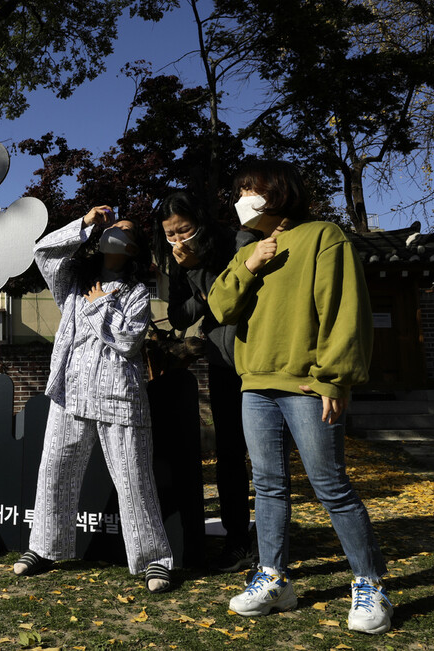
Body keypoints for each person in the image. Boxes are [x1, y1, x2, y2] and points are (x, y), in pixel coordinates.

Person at [207, 160, 391, 634]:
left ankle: (370, 584)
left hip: (308, 384)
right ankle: (274, 577)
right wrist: (251, 264)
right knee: (267, 486)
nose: (242, 197)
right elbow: (220, 307)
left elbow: (343, 308)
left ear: (279, 192)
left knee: (331, 486)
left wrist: (336, 378)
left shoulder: (323, 236)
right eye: (240, 189)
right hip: (255, 385)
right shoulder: (248, 248)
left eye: (252, 188)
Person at [14, 206, 175, 594]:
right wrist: (85, 224)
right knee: (55, 471)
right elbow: (44, 252)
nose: (116, 232)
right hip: (70, 393)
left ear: (135, 248)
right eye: (113, 227)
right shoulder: (72, 280)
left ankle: (155, 560)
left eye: (126, 230)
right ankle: (43, 548)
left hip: (119, 396)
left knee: (133, 479)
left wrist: (102, 301)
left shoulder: (136, 292)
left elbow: (127, 339)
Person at [152, 191, 257, 572]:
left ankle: (268, 541)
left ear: (201, 220)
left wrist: (198, 269)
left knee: (263, 455)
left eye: (184, 230)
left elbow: (232, 298)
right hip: (222, 360)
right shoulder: (180, 261)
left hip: (257, 355)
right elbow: (179, 315)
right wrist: (189, 271)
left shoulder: (237, 241)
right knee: (229, 452)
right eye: (171, 235)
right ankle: (236, 538)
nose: (179, 240)